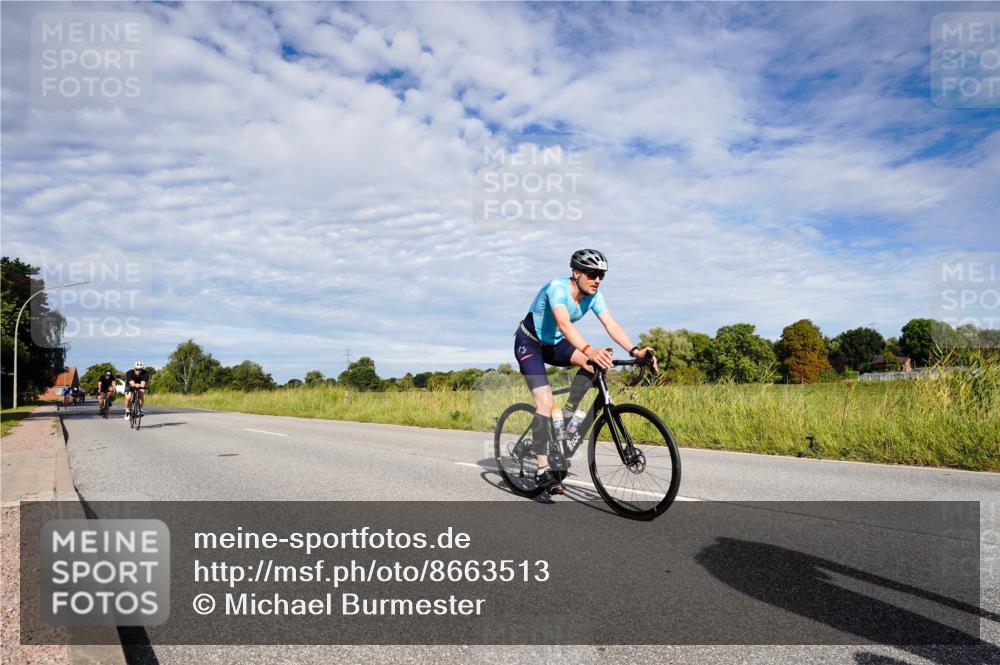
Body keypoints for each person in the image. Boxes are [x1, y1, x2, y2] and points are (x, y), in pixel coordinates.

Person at [513, 249, 658, 495]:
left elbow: (611, 324)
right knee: (545, 402)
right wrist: (589, 349)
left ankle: (568, 415)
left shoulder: (594, 296)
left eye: (601, 275)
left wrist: (635, 351)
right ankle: (541, 469)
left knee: (595, 366)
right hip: (530, 344)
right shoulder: (557, 288)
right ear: (576, 272)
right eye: (591, 274)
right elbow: (564, 323)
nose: (597, 280)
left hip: (556, 345)